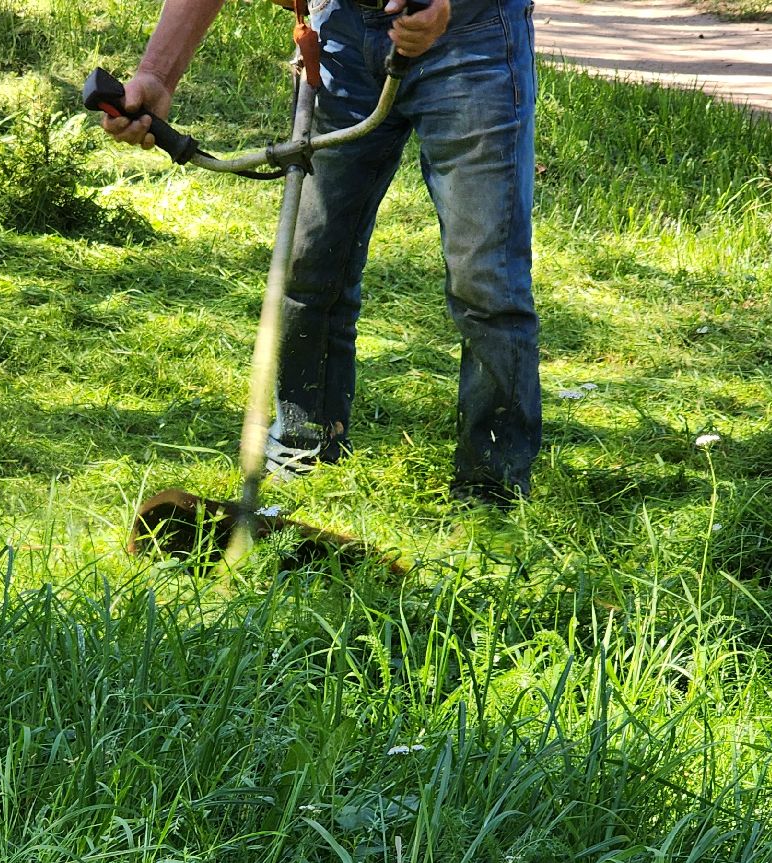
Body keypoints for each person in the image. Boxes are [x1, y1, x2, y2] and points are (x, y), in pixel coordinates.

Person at [102, 0, 541, 505]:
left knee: (484, 276)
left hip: (472, 32)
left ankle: (492, 488)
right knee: (312, 264)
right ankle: (304, 450)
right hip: (342, 36)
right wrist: (157, 76)